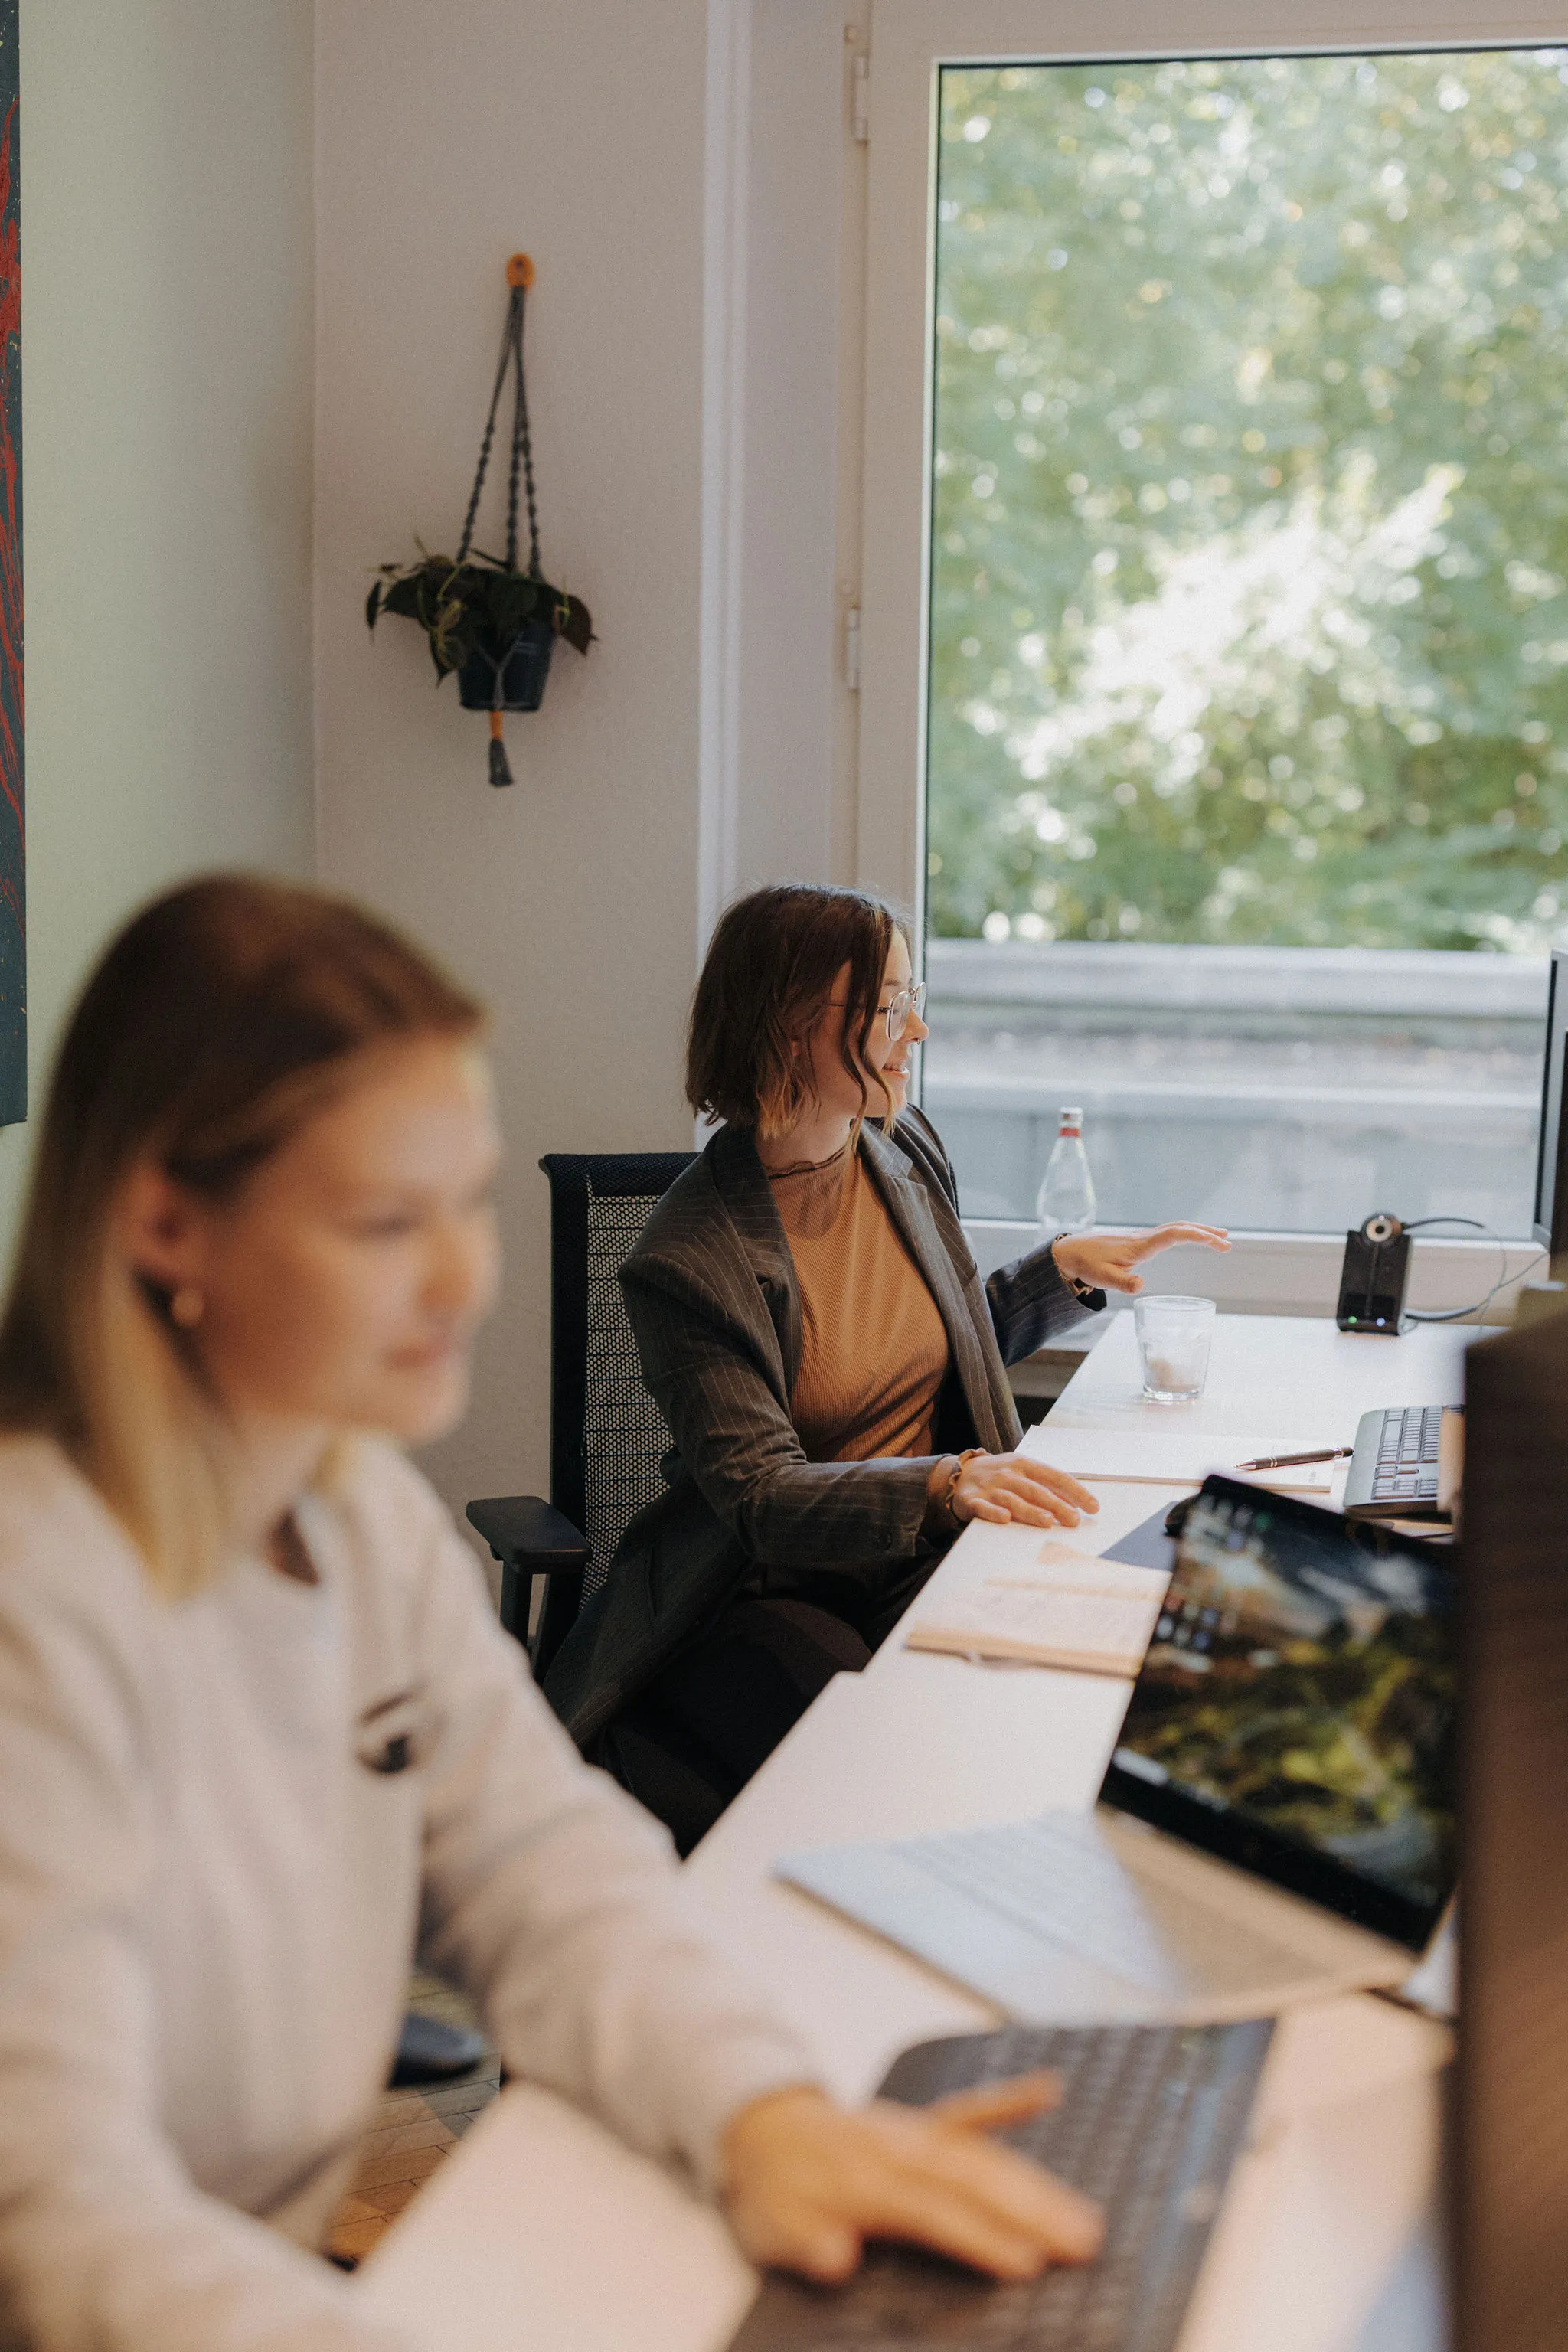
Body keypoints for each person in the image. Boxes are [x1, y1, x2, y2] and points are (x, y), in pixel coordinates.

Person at [0, 876, 1103, 2352]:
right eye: (388, 1218)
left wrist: (758, 2111)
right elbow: (57, 2225)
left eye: (466, 1196)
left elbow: (550, 1878)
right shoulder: (38, 1606)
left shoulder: (355, 1520)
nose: (466, 1276)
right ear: (165, 1226)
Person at [545, 883, 1227, 1850]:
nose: (917, 1031)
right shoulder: (688, 1258)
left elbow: (931, 1353)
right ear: (789, 1028)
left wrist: (1056, 1274)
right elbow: (758, 1497)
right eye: (889, 1008)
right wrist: (947, 1483)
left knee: (1119, 1655)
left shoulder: (900, 1147)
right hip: (771, 1590)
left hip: (919, 1554)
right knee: (914, 1766)